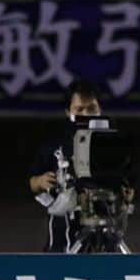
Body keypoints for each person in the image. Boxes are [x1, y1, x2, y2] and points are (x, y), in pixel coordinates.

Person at [28, 79, 121, 252]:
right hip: (63, 236)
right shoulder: (55, 145)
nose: (86, 114)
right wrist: (40, 181)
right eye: (79, 109)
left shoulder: (114, 143)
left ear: (100, 109)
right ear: (68, 112)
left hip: (105, 232)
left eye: (92, 108)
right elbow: (32, 181)